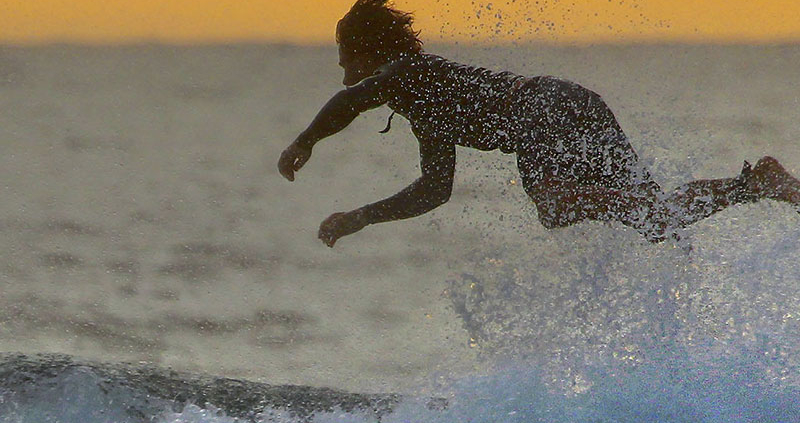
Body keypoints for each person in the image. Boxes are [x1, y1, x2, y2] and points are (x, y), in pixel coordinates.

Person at [278, 0, 800, 248]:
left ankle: (616, 200)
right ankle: (754, 183)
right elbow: (435, 190)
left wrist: (305, 141)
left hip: (538, 108)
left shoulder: (402, 72)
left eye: (346, 58)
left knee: (553, 207)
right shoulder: (425, 102)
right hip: (574, 102)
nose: (344, 71)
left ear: (371, 53)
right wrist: (363, 217)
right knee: (656, 220)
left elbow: (350, 99)